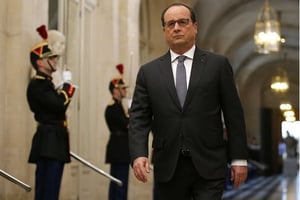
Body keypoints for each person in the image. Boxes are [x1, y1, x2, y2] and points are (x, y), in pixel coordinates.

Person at [128, 3, 248, 200]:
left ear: (195, 26)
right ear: (164, 30)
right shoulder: (149, 72)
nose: (176, 28)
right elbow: (138, 117)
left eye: (182, 22)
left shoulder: (217, 65)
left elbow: (233, 115)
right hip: (168, 165)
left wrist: (239, 158)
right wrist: (138, 153)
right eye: (170, 24)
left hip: (209, 162)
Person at [27, 25, 76, 200]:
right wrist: (68, 88)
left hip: (54, 140)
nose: (55, 61)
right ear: (40, 62)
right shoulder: (38, 85)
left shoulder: (46, 84)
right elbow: (59, 105)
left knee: (51, 189)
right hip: (49, 140)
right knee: (47, 190)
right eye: (51, 58)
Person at [104, 74, 130, 200]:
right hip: (119, 149)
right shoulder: (113, 107)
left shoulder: (119, 106)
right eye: (122, 88)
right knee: (119, 183)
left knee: (120, 182)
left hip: (121, 149)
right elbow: (126, 124)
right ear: (115, 90)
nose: (125, 90)